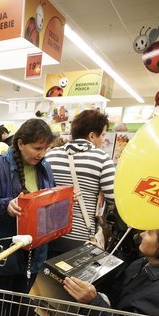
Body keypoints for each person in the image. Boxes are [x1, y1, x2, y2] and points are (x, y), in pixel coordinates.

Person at [0, 118, 54, 316]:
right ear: (21, 143)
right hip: (5, 243)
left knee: (20, 295)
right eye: (37, 148)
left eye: (45, 149)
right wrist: (6, 205)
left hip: (34, 245)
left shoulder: (44, 167)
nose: (41, 154)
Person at [44, 109, 116, 255]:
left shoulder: (50, 155)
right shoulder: (102, 158)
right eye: (102, 135)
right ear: (91, 136)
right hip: (80, 237)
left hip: (49, 234)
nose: (103, 140)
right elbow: (114, 197)